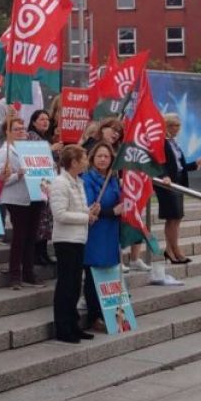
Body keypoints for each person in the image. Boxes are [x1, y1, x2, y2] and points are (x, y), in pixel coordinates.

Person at [50, 145, 99, 343]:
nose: (87, 162)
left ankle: (73, 324)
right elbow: (60, 214)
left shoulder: (78, 182)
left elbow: (77, 210)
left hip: (78, 238)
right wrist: (85, 217)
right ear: (74, 162)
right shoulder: (60, 183)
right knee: (66, 285)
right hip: (65, 239)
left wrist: (89, 211)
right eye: (84, 159)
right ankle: (62, 327)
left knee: (74, 285)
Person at [0, 117, 45, 290]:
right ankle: (15, 274)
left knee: (32, 237)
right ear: (8, 132)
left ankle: (29, 273)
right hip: (16, 199)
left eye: (23, 129)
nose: (21, 132)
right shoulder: (4, 152)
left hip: (35, 196)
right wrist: (18, 175)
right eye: (16, 129)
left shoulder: (32, 149)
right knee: (19, 237)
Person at [82, 142, 122, 332]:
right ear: (92, 158)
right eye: (100, 156)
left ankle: (108, 311)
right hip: (95, 231)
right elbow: (91, 207)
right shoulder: (87, 179)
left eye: (106, 156)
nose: (103, 159)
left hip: (110, 231)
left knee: (108, 271)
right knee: (93, 272)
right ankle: (93, 315)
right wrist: (112, 211)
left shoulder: (113, 179)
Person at [157, 113, 201, 263]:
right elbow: (159, 161)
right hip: (167, 183)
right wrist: (164, 175)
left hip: (178, 183)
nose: (177, 129)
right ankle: (175, 250)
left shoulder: (173, 142)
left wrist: (194, 164)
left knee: (176, 218)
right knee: (172, 217)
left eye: (178, 126)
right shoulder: (160, 141)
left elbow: (179, 166)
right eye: (174, 125)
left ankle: (170, 250)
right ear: (166, 126)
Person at [28, 109, 61, 266]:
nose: (45, 121)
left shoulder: (46, 138)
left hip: (48, 185)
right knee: (39, 223)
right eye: (41, 119)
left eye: (47, 119)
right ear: (33, 122)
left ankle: (43, 253)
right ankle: (35, 255)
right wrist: (50, 149)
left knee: (46, 222)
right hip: (36, 187)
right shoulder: (31, 137)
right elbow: (33, 156)